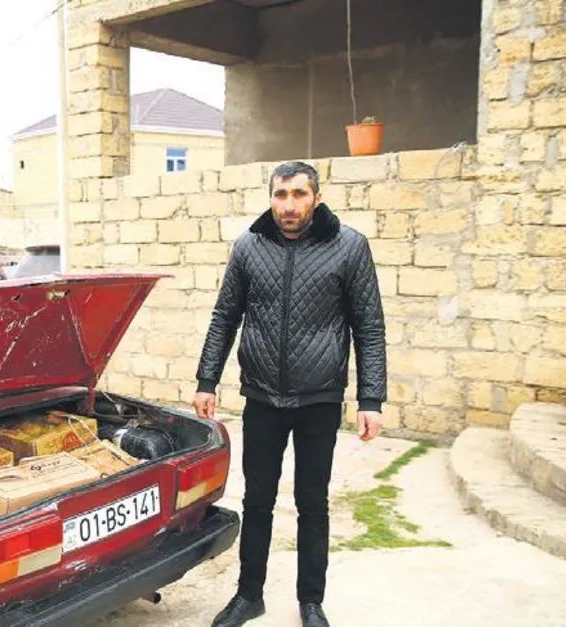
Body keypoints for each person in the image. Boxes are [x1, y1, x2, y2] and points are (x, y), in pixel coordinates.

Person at [193, 161, 387, 627]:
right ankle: (249, 596)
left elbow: (369, 326)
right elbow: (225, 317)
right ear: (271, 198)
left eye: (299, 194)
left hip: (320, 398)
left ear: (316, 198)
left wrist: (371, 400)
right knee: (257, 500)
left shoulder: (350, 247)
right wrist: (206, 380)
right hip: (262, 397)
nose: (289, 205)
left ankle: (311, 602)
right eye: (281, 195)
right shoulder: (248, 247)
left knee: (312, 502)